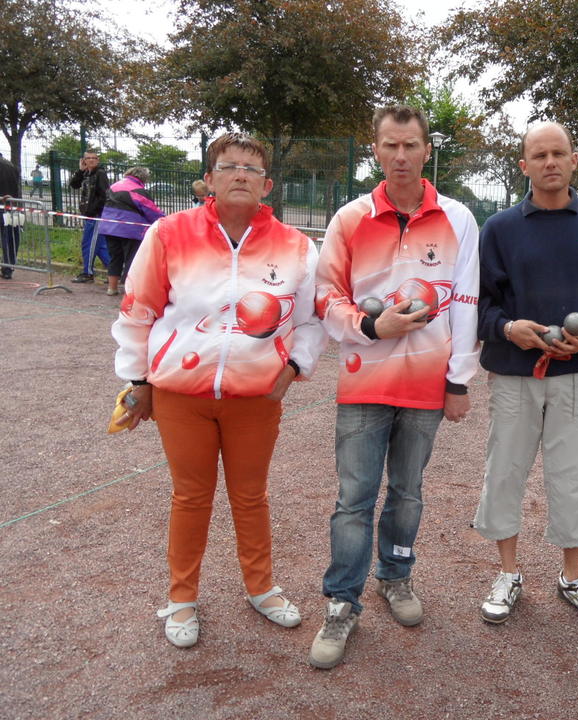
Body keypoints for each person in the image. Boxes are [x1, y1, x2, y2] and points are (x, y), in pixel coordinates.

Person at [111, 133, 326, 649]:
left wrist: (295, 366)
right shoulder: (168, 234)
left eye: (251, 169)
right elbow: (138, 312)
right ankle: (182, 597)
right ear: (208, 179)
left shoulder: (296, 246)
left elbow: (313, 319)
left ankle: (261, 587)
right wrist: (138, 381)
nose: (239, 175)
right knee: (190, 497)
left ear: (267, 184)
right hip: (182, 396)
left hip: (255, 398)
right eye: (228, 166)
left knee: (251, 497)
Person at [309, 105, 480, 669]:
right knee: (353, 499)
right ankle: (342, 601)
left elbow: (466, 303)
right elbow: (325, 295)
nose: (401, 156)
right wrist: (367, 325)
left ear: (428, 150)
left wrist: (459, 381)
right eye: (390, 146)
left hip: (428, 386)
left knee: (407, 493)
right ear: (376, 151)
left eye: (411, 145)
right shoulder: (350, 217)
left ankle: (397, 577)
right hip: (364, 382)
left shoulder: (458, 218)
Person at [473, 121, 578, 628]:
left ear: (573, 160)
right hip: (515, 375)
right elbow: (476, 306)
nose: (549, 162)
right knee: (505, 472)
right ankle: (508, 573)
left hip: (575, 376)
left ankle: (572, 577)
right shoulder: (498, 229)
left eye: (557, 153)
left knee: (573, 476)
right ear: (523, 165)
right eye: (538, 155)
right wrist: (506, 328)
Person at [99, 167, 165, 296]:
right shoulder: (137, 189)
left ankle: (112, 288)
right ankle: (129, 292)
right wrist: (164, 219)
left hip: (109, 227)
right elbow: (150, 209)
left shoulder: (114, 186)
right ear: (143, 178)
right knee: (132, 259)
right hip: (130, 230)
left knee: (115, 258)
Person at [69, 150, 111, 283]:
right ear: (84, 160)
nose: (91, 160)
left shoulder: (100, 174)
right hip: (89, 214)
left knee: (88, 243)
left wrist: (94, 210)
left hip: (96, 215)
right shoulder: (86, 173)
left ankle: (87, 273)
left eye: (94, 158)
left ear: (98, 160)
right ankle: (117, 271)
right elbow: (74, 184)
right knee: (100, 246)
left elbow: (104, 195)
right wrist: (80, 171)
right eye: (88, 158)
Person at [0, 152, 21, 280]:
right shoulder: (11, 165)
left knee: (8, 237)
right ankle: (8, 268)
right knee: (10, 238)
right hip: (11, 206)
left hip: (3, 204)